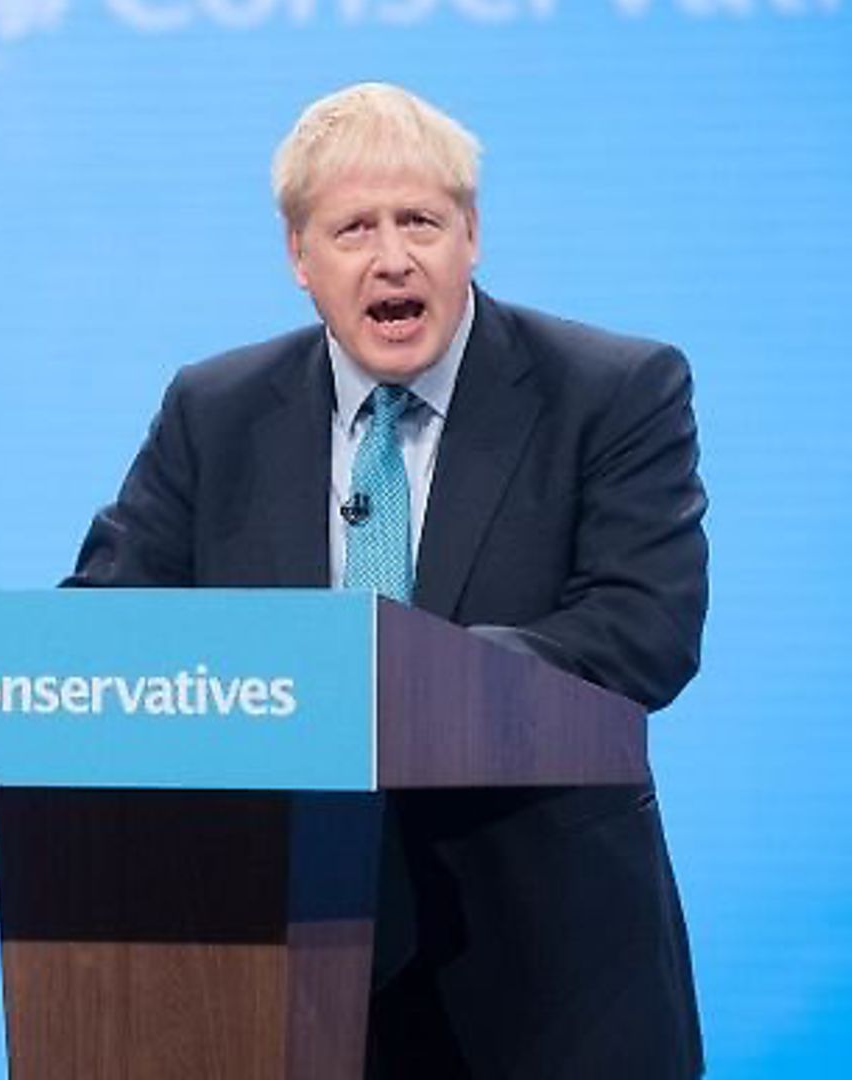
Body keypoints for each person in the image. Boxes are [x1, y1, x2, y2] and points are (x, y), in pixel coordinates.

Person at [67, 82, 705, 1078]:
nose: (393, 257)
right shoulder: (216, 410)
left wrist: (403, 677)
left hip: (549, 971)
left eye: (422, 221)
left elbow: (644, 629)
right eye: (354, 228)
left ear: (472, 237)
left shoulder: (614, 390)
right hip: (277, 961)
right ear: (299, 259)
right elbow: (107, 622)